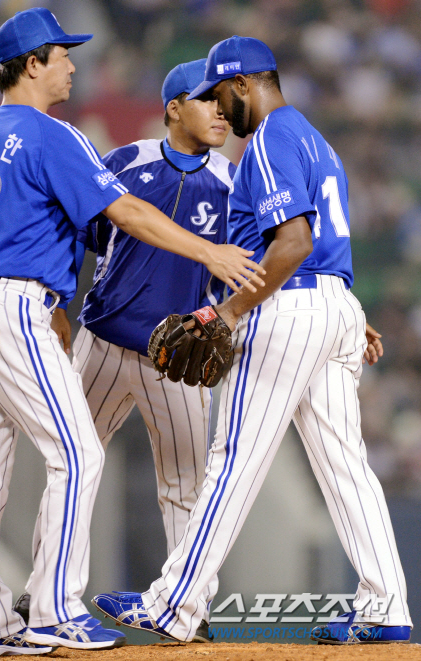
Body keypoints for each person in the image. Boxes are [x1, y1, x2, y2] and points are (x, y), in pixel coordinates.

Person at [0, 11, 265, 656]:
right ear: (33, 64)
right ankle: (54, 611)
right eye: (62, 56)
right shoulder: (56, 135)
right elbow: (124, 213)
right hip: (20, 308)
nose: (73, 66)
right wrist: (209, 253)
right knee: (79, 454)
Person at [93, 36, 413, 645]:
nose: (218, 107)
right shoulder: (313, 138)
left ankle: (174, 604)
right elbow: (319, 247)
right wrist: (344, 310)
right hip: (331, 303)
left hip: (286, 309)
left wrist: (228, 313)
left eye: (220, 93)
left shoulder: (269, 139)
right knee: (347, 466)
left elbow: (292, 242)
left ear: (244, 84)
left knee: (232, 460)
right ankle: (386, 607)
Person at [13, 58, 237, 643]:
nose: (220, 112)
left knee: (186, 484)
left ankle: (189, 606)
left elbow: (247, 266)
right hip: (105, 341)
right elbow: (76, 232)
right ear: (173, 108)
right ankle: (43, 592)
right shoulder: (125, 162)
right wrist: (58, 301)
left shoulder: (232, 181)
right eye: (206, 100)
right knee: (70, 465)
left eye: (223, 103)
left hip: (178, 357)